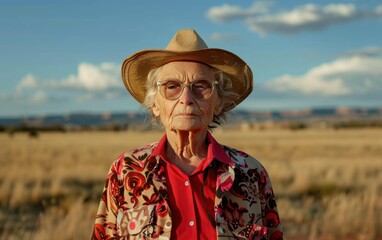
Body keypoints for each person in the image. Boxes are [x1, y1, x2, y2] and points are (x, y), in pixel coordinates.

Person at [92, 29, 283, 240]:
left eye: (201, 86)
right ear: (155, 104)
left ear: (219, 103)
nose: (186, 98)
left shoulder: (251, 173)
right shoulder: (125, 170)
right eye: (171, 86)